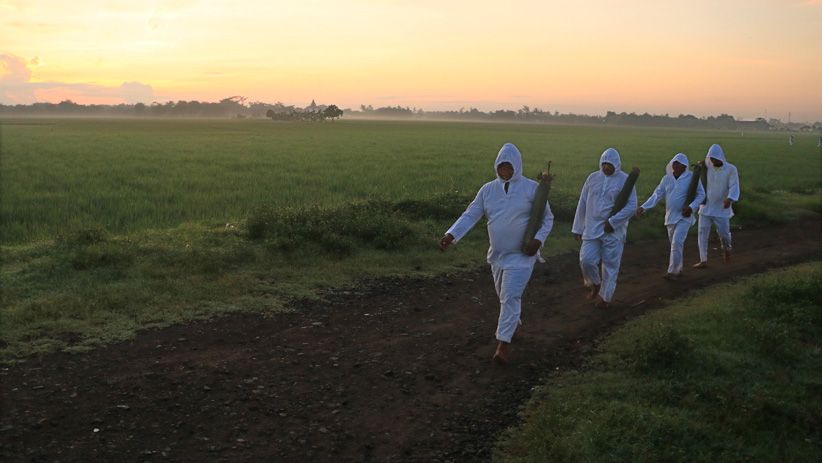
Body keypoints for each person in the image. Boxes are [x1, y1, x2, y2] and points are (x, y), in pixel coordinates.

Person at [439, 143, 554, 365]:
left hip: (522, 256)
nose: (505, 171)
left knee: (510, 296)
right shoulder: (488, 190)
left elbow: (547, 218)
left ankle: (503, 345)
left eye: (509, 166)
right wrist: (451, 235)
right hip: (497, 256)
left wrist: (538, 241)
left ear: (517, 166)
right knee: (503, 295)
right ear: (496, 166)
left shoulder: (532, 188)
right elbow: (470, 215)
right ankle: (513, 325)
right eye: (501, 166)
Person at [571, 148, 637, 309]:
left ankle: (605, 297)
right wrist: (578, 228)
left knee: (610, 264)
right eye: (604, 164)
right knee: (585, 260)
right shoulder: (593, 178)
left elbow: (632, 206)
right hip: (592, 228)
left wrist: (613, 222)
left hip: (613, 231)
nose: (606, 167)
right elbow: (583, 203)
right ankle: (595, 283)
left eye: (610, 165)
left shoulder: (625, 180)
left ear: (617, 165)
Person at [636, 153, 705, 279]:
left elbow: (701, 195)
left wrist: (691, 207)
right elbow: (656, 195)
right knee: (675, 244)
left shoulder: (692, 178)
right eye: (674, 163)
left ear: (684, 166)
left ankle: (672, 271)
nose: (675, 165)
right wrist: (643, 207)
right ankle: (678, 269)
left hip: (685, 217)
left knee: (677, 242)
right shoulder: (666, 179)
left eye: (678, 163)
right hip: (670, 217)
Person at [693, 144, 740, 268]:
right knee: (702, 233)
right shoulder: (707, 167)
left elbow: (734, 185)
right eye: (710, 158)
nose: (712, 161)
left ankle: (727, 251)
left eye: (714, 158)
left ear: (720, 157)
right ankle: (703, 260)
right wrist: (700, 164)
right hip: (706, 207)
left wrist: (730, 199)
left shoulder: (731, 169)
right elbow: (700, 167)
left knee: (724, 234)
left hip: (721, 209)